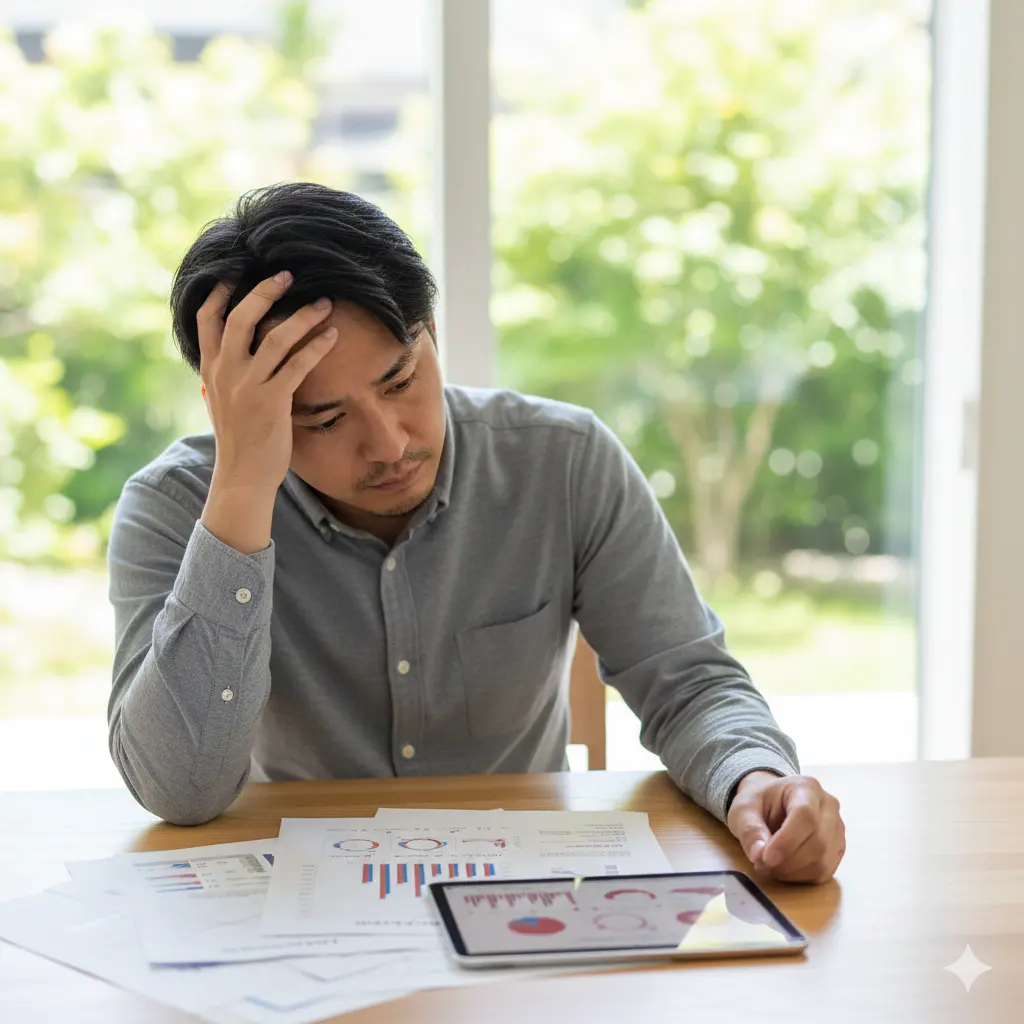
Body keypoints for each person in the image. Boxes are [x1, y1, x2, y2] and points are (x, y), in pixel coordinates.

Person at [108, 182, 845, 884]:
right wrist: (241, 490)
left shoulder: (562, 460)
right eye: (326, 419)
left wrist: (757, 776)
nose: (390, 443)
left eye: (400, 381)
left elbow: (686, 683)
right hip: (297, 902)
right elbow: (181, 788)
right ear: (233, 406)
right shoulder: (176, 509)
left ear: (430, 332)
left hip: (526, 892)